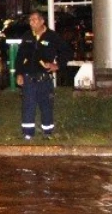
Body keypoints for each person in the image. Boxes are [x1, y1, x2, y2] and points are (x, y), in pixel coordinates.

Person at [15, 11, 72, 140]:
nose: (31, 22)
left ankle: (48, 132)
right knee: (28, 106)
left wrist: (56, 65)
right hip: (29, 77)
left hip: (44, 79)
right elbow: (20, 56)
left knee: (46, 106)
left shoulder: (52, 36)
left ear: (42, 21)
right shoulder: (27, 36)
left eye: (34, 20)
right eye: (30, 20)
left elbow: (67, 51)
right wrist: (19, 73)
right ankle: (28, 133)